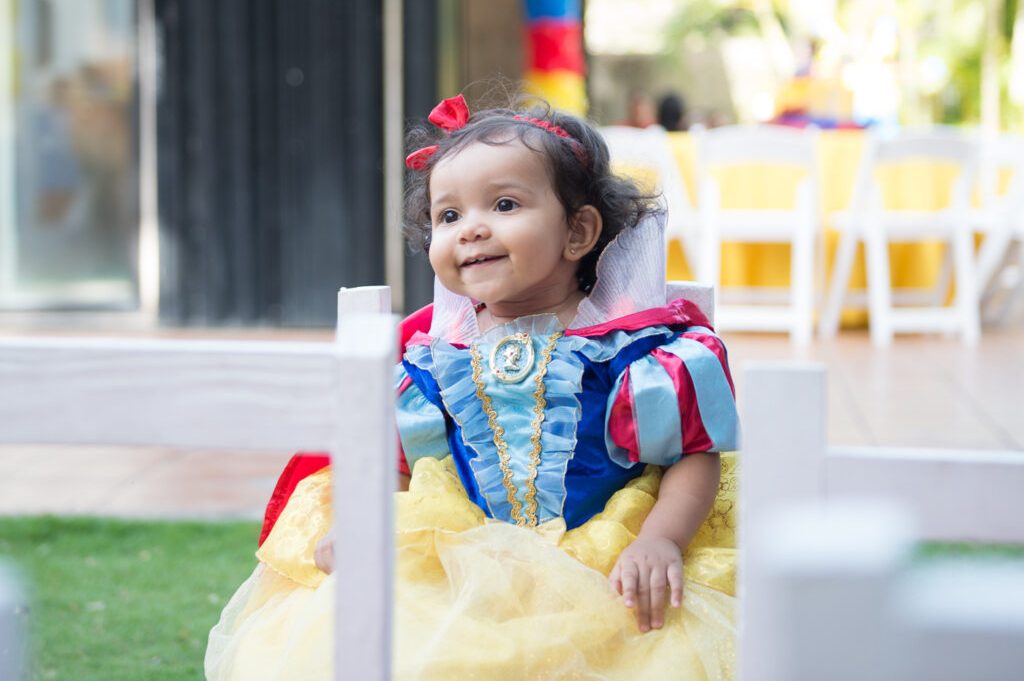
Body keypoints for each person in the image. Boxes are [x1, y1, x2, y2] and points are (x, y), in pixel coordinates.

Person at [206, 93, 740, 679]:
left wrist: (661, 539)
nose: (470, 230)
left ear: (578, 232)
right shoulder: (434, 358)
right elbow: (399, 461)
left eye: (505, 204)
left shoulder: (633, 352)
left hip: (608, 562)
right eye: (448, 216)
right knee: (405, 640)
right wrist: (366, 515)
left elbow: (692, 455)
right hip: (463, 560)